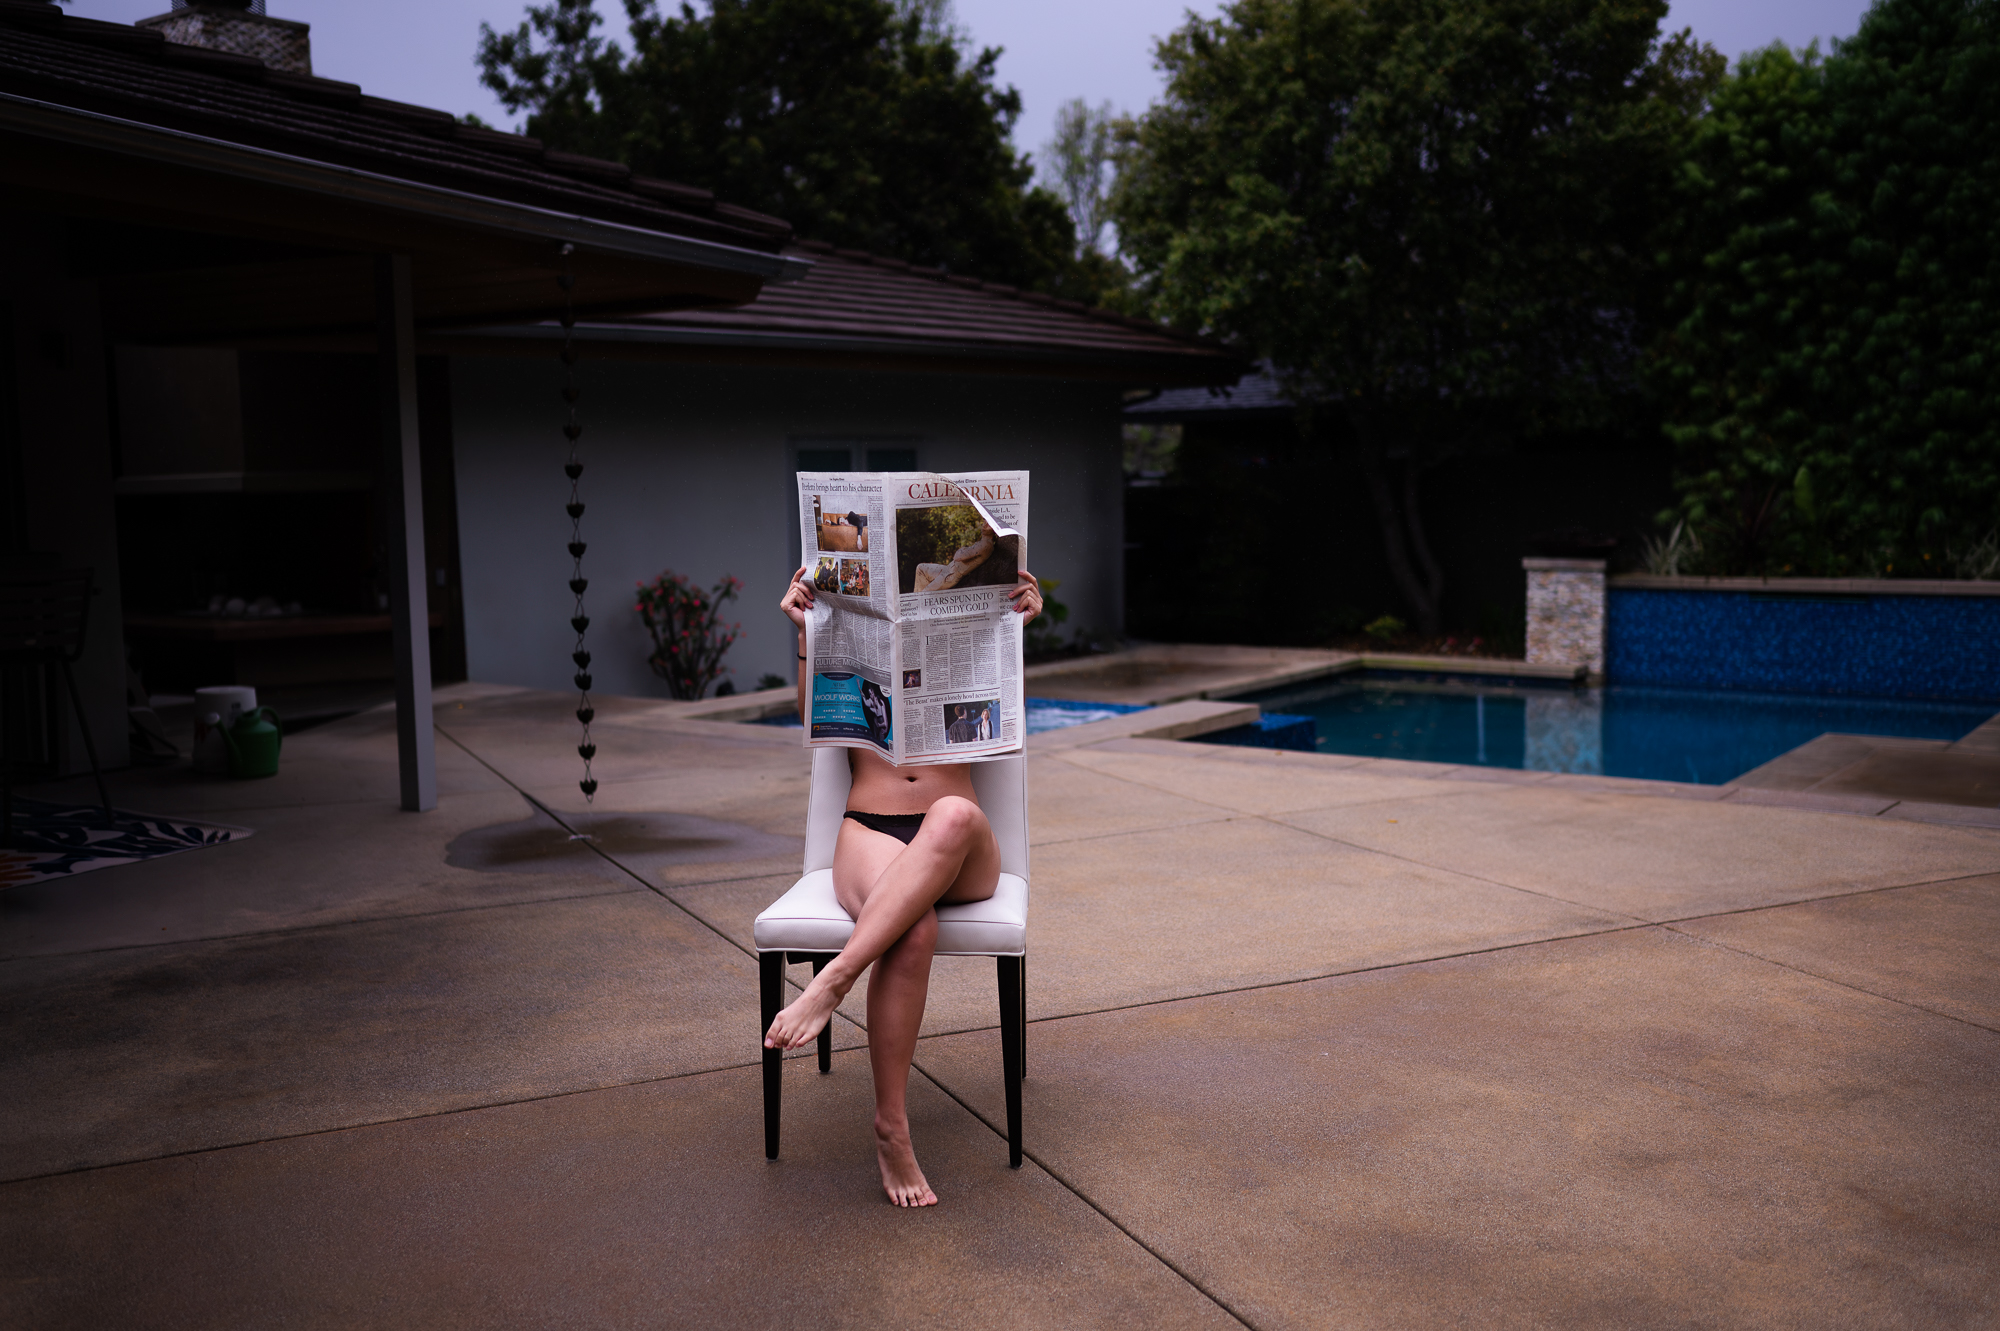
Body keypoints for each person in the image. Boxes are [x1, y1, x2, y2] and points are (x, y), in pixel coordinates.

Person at [772, 561, 1042, 1207]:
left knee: (951, 813)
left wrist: (1017, 627)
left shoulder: (972, 638)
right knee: (911, 929)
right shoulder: (849, 637)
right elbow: (818, 727)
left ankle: (832, 978)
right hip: (869, 827)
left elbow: (1002, 738)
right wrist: (805, 629)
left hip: (959, 842)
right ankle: (891, 1127)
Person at [912, 529, 994, 593]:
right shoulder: (983, 542)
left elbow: (958, 556)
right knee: (921, 568)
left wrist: (963, 549)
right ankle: (916, 602)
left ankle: (916, 608)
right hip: (949, 569)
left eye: (989, 524)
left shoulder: (985, 544)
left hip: (951, 576)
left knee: (925, 594)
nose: (985, 524)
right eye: (984, 520)